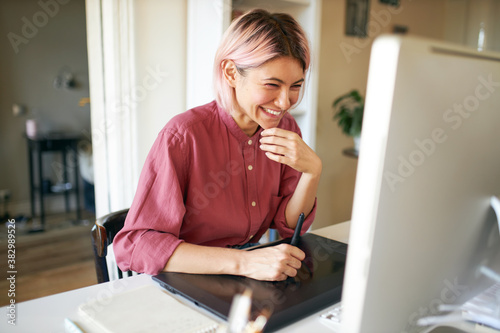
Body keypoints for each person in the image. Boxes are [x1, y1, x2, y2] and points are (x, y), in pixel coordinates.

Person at [113, 9, 322, 282]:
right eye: (272, 84)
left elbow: (289, 226)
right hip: (188, 278)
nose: (285, 102)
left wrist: (312, 172)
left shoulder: (286, 128)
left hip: (248, 277)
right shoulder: (184, 136)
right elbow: (136, 244)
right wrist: (243, 262)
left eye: (295, 86)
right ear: (231, 73)